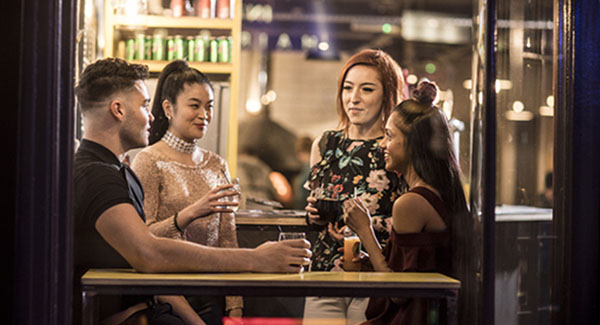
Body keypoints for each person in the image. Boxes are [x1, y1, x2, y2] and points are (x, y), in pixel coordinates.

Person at [73, 58, 312, 324]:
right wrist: (256, 259)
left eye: (208, 106)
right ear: (118, 110)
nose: (151, 115)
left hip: (167, 305)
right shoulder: (98, 174)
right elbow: (149, 253)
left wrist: (230, 309)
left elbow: (150, 259)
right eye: (143, 104)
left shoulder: (119, 171)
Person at [344, 80, 468, 324]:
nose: (382, 144)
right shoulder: (442, 192)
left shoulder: (411, 203)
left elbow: (399, 293)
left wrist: (364, 231)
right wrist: (369, 262)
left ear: (414, 144)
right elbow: (416, 271)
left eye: (389, 136)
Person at [129, 60, 243, 324]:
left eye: (209, 106)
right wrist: (191, 213)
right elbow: (142, 238)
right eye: (195, 105)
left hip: (212, 294)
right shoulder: (148, 161)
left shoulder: (217, 164)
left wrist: (236, 308)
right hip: (168, 297)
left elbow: (228, 241)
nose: (204, 114)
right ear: (168, 108)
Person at [303, 49, 407, 325]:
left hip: (374, 271)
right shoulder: (325, 144)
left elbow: (411, 217)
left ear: (388, 94)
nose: (354, 98)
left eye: (367, 89)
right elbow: (316, 211)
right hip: (325, 270)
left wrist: (368, 225)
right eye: (347, 88)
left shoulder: (394, 148)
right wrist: (313, 214)